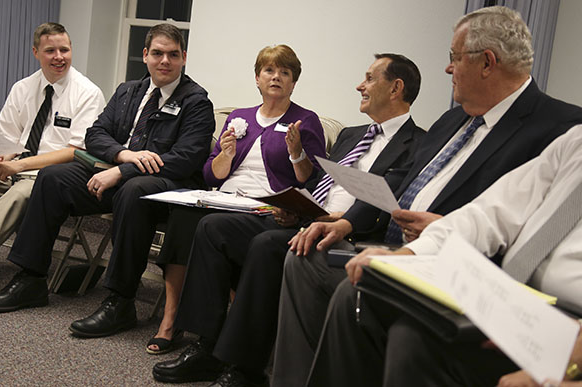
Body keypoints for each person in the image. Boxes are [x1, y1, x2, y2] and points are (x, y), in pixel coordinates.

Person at [271, 6, 582, 387]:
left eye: (454, 57)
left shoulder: (556, 122)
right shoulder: (466, 122)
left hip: (519, 295)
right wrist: (401, 251)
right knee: (307, 258)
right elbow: (491, 212)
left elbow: (509, 232)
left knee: (392, 321)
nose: (447, 69)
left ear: (487, 63)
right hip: (451, 268)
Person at [151, 53, 425, 387]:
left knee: (265, 245)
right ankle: (206, 347)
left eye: (369, 78)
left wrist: (336, 218)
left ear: (396, 88)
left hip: (347, 232)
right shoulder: (353, 134)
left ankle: (244, 369)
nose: (360, 86)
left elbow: (387, 202)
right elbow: (318, 184)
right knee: (212, 228)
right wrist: (297, 206)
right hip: (306, 217)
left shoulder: (418, 144)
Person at [0, 23, 215, 340]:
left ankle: (121, 301)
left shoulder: (196, 102)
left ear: (183, 58)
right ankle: (31, 279)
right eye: (157, 53)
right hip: (115, 171)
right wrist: (121, 156)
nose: (165, 61)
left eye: (173, 55)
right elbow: (96, 135)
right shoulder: (129, 91)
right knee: (52, 179)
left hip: (164, 184)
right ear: (145, 55)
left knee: (132, 192)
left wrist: (121, 171)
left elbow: (185, 158)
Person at [337, 123, 582, 387]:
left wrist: (570, 365)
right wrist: (409, 254)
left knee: (415, 340)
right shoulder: (574, 142)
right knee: (362, 291)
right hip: (517, 304)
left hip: (568, 326)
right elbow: (491, 212)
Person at [147, 43, 327, 354]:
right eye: (269, 70)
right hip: (227, 199)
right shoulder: (240, 117)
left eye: (285, 72)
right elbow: (212, 176)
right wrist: (226, 154)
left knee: (212, 227)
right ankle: (171, 318)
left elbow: (312, 180)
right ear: (257, 78)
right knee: (182, 218)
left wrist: (297, 154)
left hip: (269, 208)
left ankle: (207, 338)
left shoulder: (305, 120)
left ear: (293, 82)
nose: (276, 77)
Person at [0, 22, 105, 267]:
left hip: (49, 179)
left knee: (18, 196)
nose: (59, 57)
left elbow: (77, 152)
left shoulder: (88, 93)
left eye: (64, 50)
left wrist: (18, 166)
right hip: (14, 168)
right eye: (50, 51)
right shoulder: (23, 87)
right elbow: (7, 138)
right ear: (36, 52)